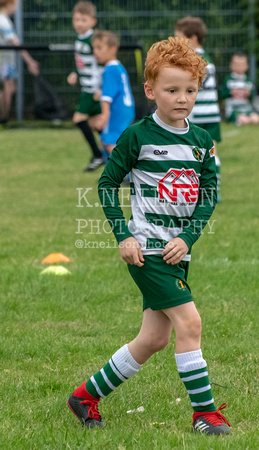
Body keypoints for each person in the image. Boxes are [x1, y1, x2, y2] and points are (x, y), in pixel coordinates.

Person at [67, 37, 231, 436]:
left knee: (154, 338)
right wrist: (124, 236)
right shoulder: (137, 136)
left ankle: (85, 396)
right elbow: (107, 184)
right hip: (147, 250)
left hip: (178, 251)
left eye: (190, 90)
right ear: (151, 90)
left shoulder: (201, 142)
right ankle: (204, 415)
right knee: (190, 324)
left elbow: (210, 196)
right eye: (172, 90)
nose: (182, 99)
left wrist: (188, 238)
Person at [174, 16, 222, 202]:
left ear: (193, 38)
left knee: (190, 152)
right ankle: (212, 190)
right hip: (212, 114)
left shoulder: (194, 60)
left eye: (180, 38)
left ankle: (199, 190)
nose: (177, 42)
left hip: (197, 114)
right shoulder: (206, 58)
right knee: (210, 151)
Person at [67, 1, 104, 172]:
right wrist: (75, 72)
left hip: (92, 90)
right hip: (87, 87)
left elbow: (101, 64)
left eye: (83, 20)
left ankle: (98, 155)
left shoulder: (92, 40)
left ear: (92, 22)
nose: (79, 23)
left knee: (79, 119)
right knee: (98, 124)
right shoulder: (79, 39)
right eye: (76, 19)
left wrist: (101, 88)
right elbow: (82, 62)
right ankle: (110, 155)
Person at [92, 30, 135, 160]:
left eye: (99, 48)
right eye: (94, 48)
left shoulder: (109, 69)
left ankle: (127, 174)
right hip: (126, 110)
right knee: (111, 141)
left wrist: (105, 115)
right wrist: (101, 92)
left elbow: (107, 97)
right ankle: (114, 173)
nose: (95, 51)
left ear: (113, 49)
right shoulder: (118, 67)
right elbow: (116, 90)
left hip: (116, 111)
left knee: (109, 142)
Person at [0, 0, 39, 123]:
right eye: (15, 6)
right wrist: (30, 61)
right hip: (4, 61)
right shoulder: (3, 21)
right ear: (9, 4)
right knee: (8, 88)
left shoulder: (4, 19)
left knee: (11, 88)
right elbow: (15, 43)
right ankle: (3, 119)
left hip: (6, 60)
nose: (16, 9)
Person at [220, 53, 259, 125]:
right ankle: (238, 120)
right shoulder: (228, 80)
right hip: (233, 110)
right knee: (243, 120)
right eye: (237, 64)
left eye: (242, 64)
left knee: (256, 119)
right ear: (231, 65)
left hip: (247, 109)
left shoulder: (248, 81)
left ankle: (246, 119)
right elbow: (222, 94)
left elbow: (252, 97)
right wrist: (230, 92)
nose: (239, 66)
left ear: (247, 66)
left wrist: (249, 94)